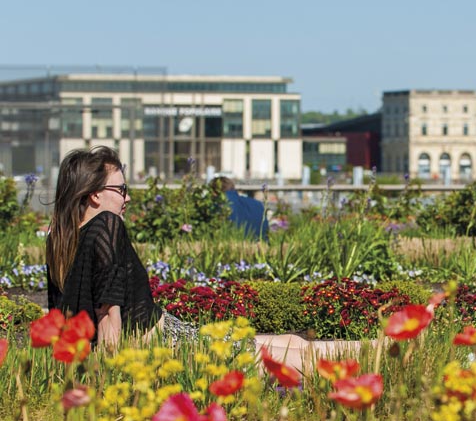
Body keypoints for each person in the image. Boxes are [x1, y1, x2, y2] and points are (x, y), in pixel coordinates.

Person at [46, 147, 307, 364]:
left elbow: (64, 317)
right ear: (95, 194)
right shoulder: (106, 225)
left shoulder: (60, 239)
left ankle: (346, 359)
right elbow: (107, 316)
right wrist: (110, 376)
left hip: (173, 339)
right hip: (173, 345)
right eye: (122, 189)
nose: (128, 198)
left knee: (292, 344)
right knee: (290, 358)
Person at [210, 176, 269, 240]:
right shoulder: (258, 204)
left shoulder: (218, 205)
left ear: (214, 192)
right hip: (260, 246)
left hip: (231, 246)